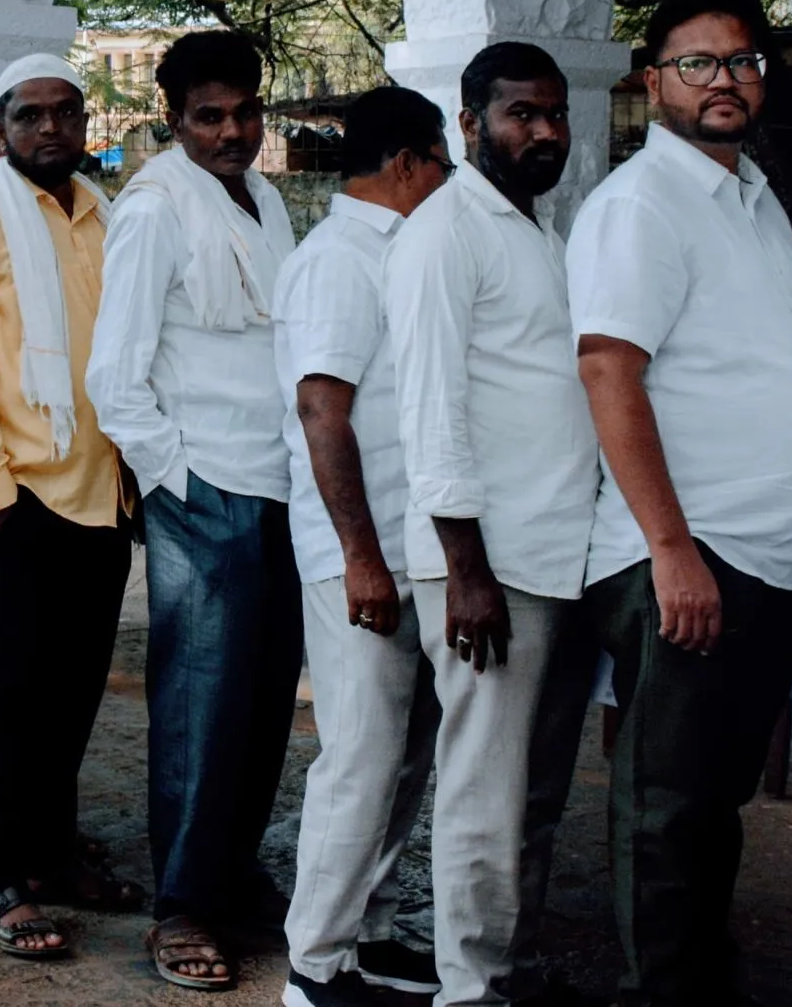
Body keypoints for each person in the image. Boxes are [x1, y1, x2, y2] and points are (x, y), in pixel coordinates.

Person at [567, 0, 792, 1007]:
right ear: (652, 82)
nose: (724, 79)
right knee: (665, 808)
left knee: (714, 801)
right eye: (697, 63)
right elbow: (607, 370)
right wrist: (671, 549)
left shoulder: (752, 194)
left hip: (764, 553)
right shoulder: (642, 204)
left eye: (741, 61)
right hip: (689, 551)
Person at [87, 30, 299, 992]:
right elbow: (114, 375)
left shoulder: (265, 199)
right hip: (204, 486)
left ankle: (231, 874)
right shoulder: (153, 208)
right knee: (199, 706)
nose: (231, 131)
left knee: (262, 699)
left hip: (282, 483)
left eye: (244, 112)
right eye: (209, 116)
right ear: (173, 120)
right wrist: (176, 480)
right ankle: (181, 903)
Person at [388, 42, 598, 1007]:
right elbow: (429, 410)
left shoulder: (536, 229)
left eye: (555, 113)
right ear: (470, 123)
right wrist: (465, 569)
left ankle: (501, 968)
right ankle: (467, 989)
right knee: (483, 787)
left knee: (531, 788)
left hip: (554, 553)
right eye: (522, 114)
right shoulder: (443, 233)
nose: (545, 131)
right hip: (487, 563)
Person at [0, 55, 136, 964]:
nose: (50, 128)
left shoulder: (106, 214)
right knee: (8, 697)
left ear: (85, 122)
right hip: (24, 500)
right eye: (29, 115)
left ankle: (51, 852)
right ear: (1, 129)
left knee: (73, 695)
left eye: (65, 112)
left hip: (105, 494)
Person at [276, 86, 456, 1006]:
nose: (451, 182)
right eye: (444, 164)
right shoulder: (338, 259)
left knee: (407, 755)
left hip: (412, 541)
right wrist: (361, 556)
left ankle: (371, 935)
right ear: (408, 163)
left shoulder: (406, 249)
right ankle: (313, 964)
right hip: (361, 550)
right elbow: (322, 411)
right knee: (359, 757)